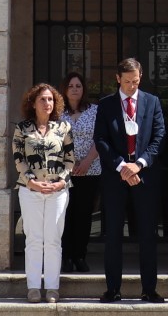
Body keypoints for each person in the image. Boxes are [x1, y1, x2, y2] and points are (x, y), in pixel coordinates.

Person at [93, 58, 166, 303]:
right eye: (127, 82)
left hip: (144, 176)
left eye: (135, 81)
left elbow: (159, 137)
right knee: (113, 234)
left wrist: (140, 164)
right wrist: (123, 166)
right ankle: (113, 289)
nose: (131, 86)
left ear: (140, 77)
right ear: (117, 79)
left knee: (147, 234)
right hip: (116, 178)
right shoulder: (106, 105)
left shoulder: (152, 102)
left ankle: (149, 289)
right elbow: (101, 140)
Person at [13, 83, 74, 303]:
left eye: (50, 99)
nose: (47, 103)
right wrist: (33, 183)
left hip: (58, 191)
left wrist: (60, 182)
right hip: (30, 191)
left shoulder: (63, 128)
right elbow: (18, 159)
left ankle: (52, 288)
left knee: (53, 240)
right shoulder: (22, 129)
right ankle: (33, 287)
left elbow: (70, 159)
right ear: (33, 102)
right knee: (34, 239)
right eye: (42, 99)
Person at [59, 72, 100, 273]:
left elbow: (101, 139)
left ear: (83, 89)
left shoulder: (95, 111)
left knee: (84, 215)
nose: (75, 89)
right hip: (64, 172)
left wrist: (86, 161)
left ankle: (80, 256)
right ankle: (65, 256)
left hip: (90, 170)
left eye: (78, 86)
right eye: (71, 86)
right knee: (65, 214)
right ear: (65, 90)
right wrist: (71, 162)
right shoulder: (57, 113)